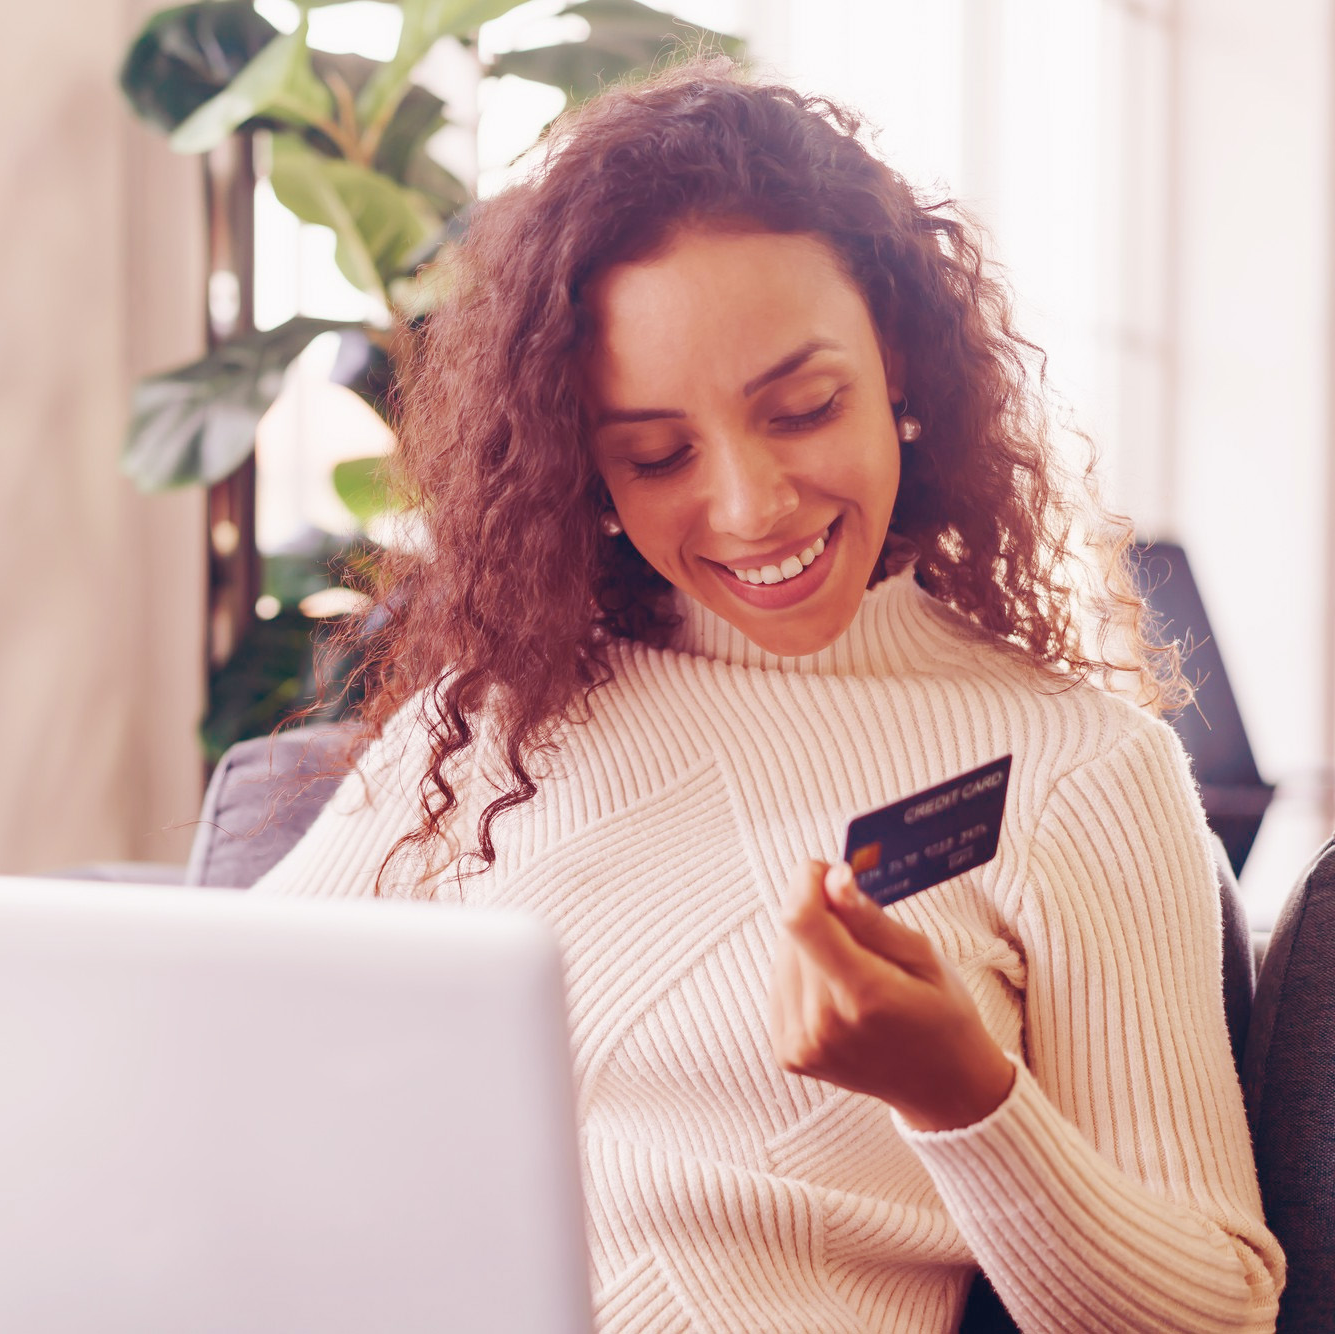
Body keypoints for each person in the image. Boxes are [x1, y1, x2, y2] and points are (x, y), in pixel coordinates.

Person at [250, 60, 1285, 1333]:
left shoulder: (1077, 772)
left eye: (801, 409)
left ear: (896, 360)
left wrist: (960, 1091)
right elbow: (215, 1049)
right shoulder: (487, 720)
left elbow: (1215, 1311)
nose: (749, 509)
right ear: (585, 461)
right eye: (656, 453)